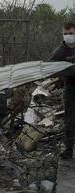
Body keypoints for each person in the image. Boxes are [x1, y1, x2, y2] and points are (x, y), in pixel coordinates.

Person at [49, 22, 75, 160]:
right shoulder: (60, 51)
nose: (68, 36)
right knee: (70, 118)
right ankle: (69, 149)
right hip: (71, 88)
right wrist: (62, 77)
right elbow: (50, 68)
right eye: (66, 34)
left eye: (71, 33)